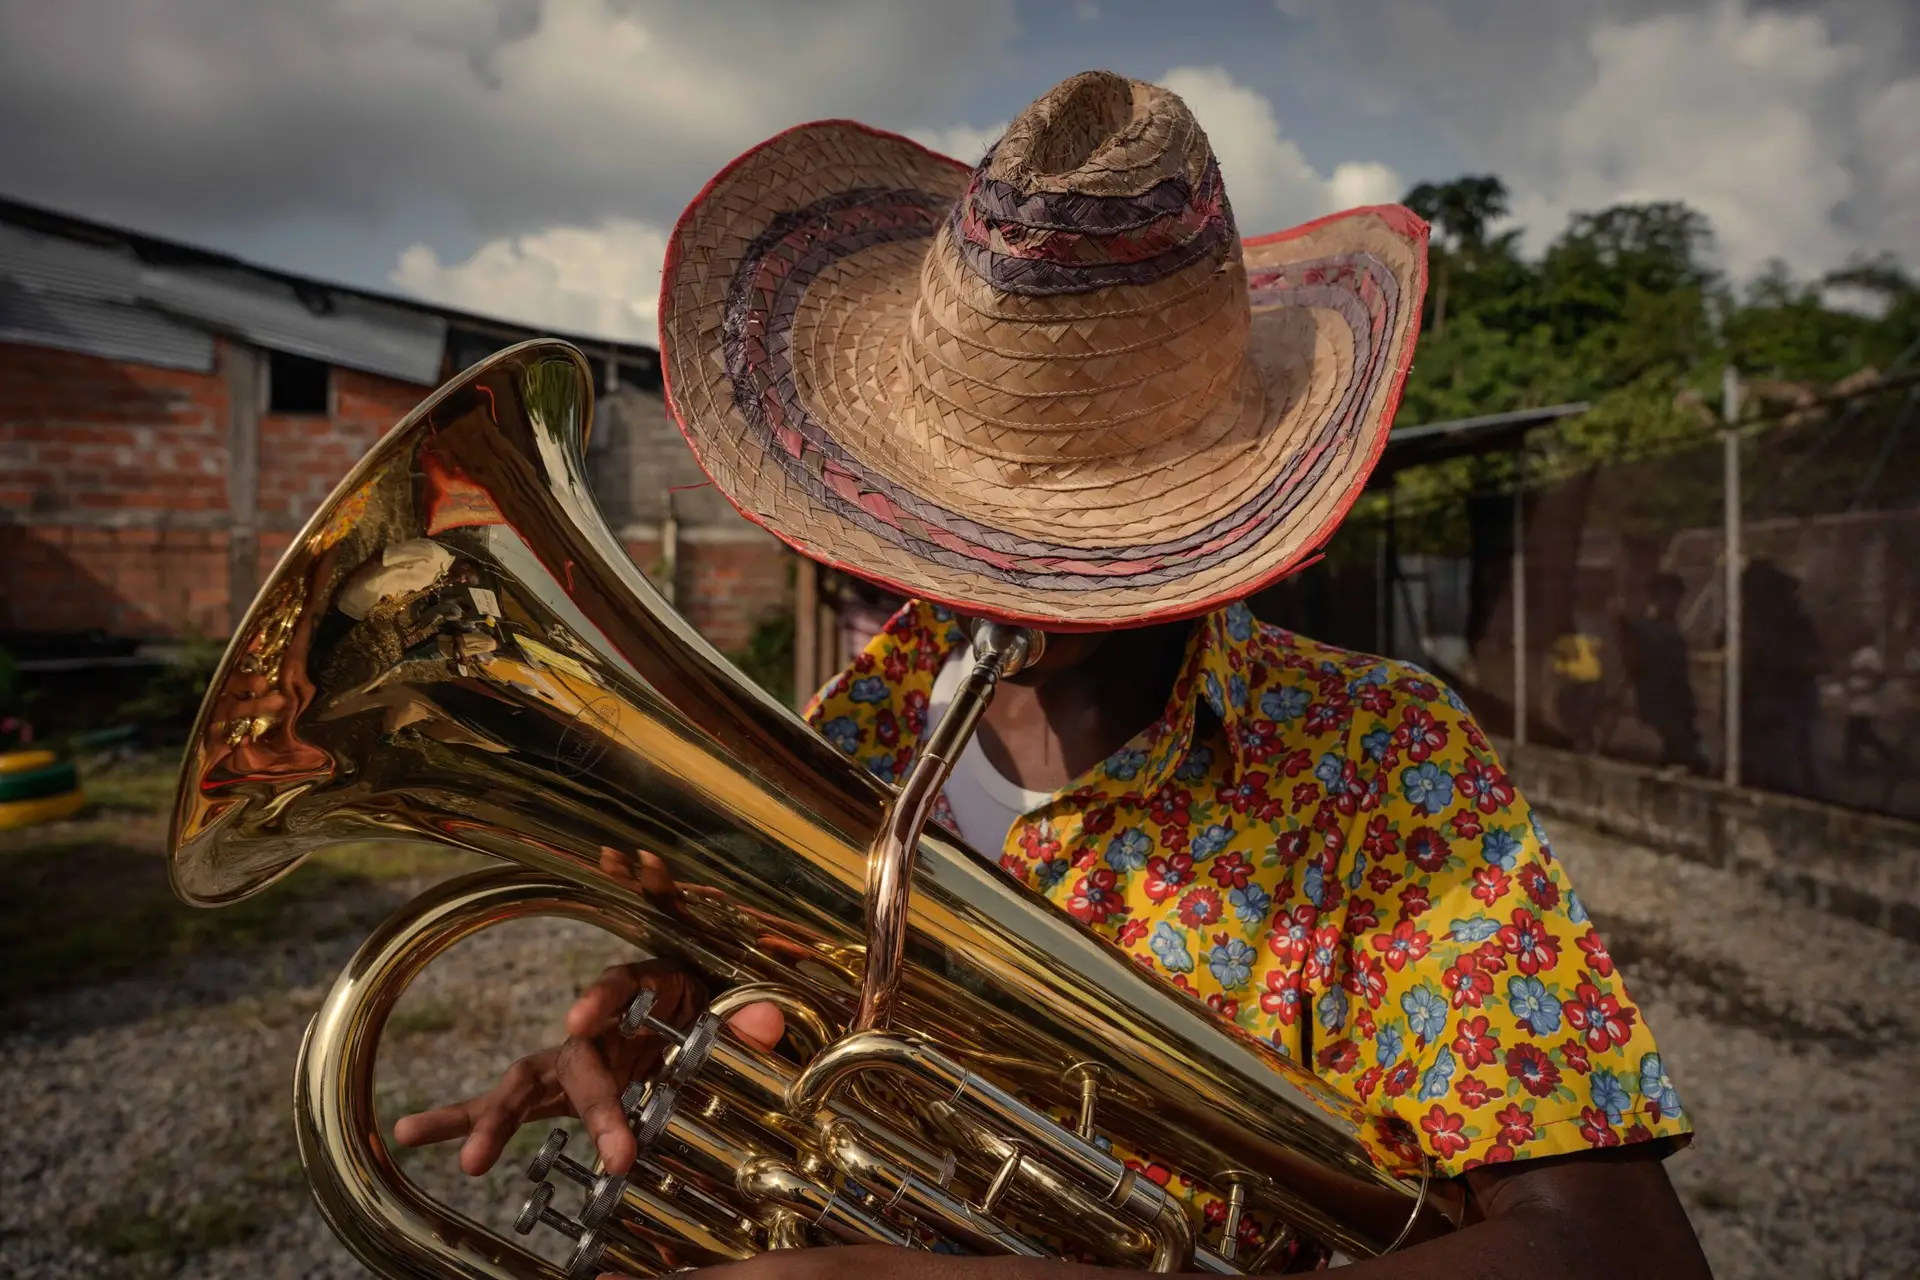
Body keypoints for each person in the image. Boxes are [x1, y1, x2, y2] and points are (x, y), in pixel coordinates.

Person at [395, 72, 1710, 1278]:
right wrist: (674, 1078)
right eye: (955, 499)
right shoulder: (837, 739)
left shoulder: (1382, 761)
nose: (987, 560)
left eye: (1070, 517)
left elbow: (1620, 1252)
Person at [1623, 574, 1707, 773]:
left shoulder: (1671, 631)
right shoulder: (1643, 630)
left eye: (1676, 598)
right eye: (1669, 597)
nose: (1674, 603)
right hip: (1656, 712)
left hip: (1676, 713)